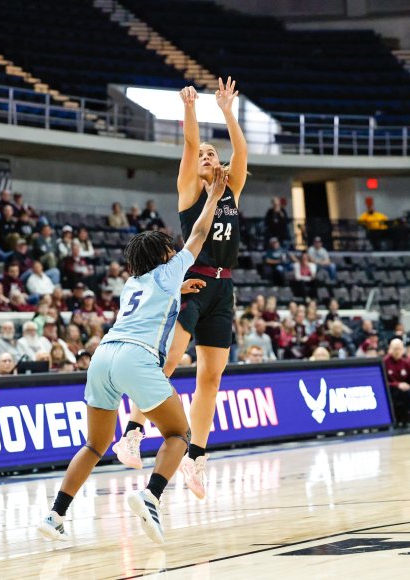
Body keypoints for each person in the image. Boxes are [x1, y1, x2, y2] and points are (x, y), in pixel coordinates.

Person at [38, 162, 225, 545]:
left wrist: (179, 291)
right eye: (169, 252)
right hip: (135, 358)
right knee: (179, 434)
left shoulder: (130, 283)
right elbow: (201, 233)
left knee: (94, 445)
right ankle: (150, 496)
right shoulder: (169, 269)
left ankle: (55, 515)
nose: (175, 253)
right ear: (162, 256)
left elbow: (153, 301)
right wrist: (214, 198)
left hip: (103, 356)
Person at [112, 80, 248, 501]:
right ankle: (132, 433)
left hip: (223, 289)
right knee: (170, 360)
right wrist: (192, 110)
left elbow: (241, 153)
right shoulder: (191, 191)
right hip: (193, 281)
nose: (209, 156)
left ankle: (197, 458)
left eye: (213, 153)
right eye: (205, 155)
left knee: (211, 377)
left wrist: (227, 110)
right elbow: (190, 147)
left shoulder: (230, 191)